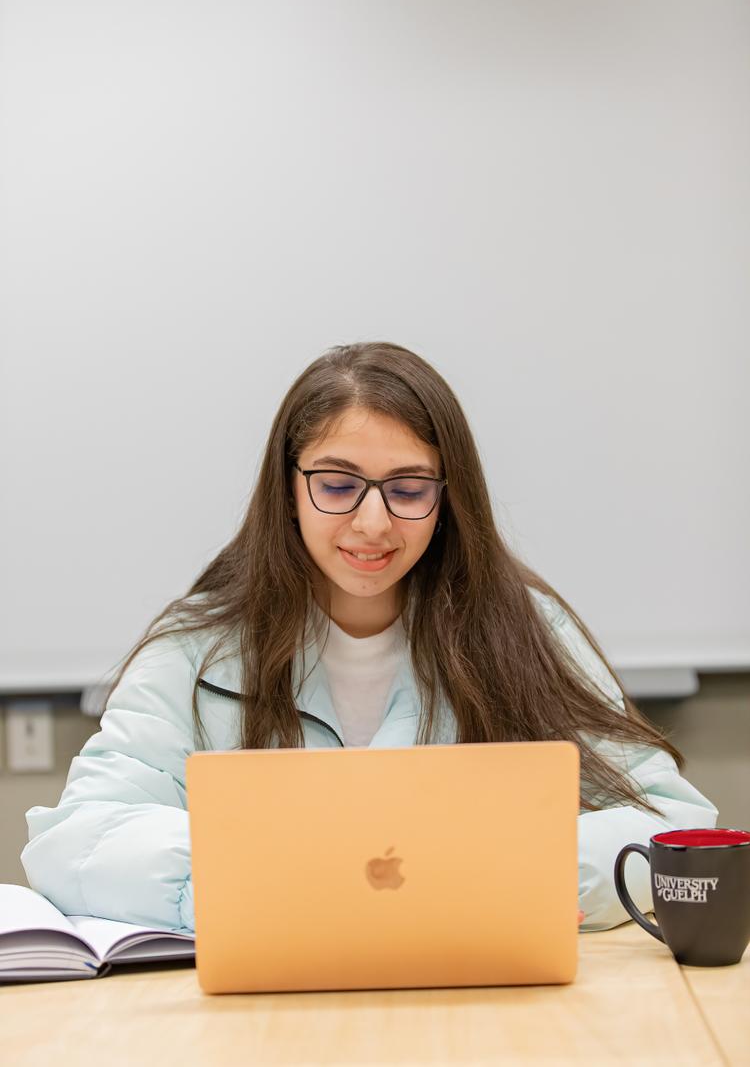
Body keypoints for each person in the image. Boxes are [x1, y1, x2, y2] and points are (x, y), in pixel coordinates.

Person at [22, 341, 716, 935]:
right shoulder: (198, 644)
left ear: (448, 499)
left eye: (409, 489)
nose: (373, 522)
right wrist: (265, 877)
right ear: (288, 489)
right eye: (338, 484)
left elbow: (675, 830)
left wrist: (504, 872)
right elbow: (75, 841)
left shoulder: (522, 629)